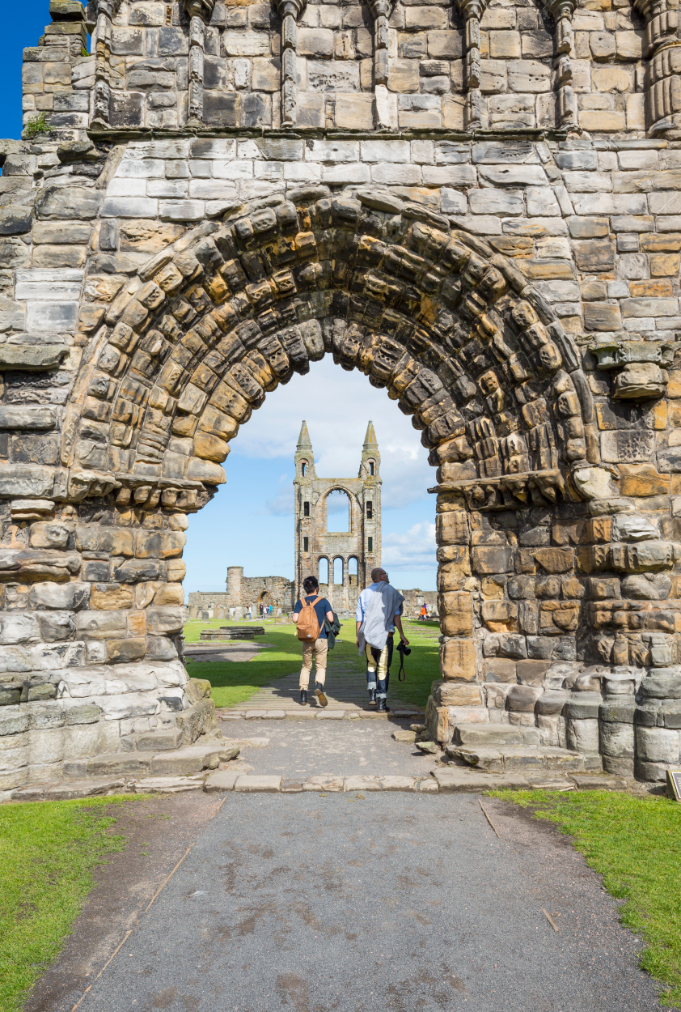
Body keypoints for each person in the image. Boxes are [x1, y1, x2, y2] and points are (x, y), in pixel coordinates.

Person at [356, 567, 409, 712]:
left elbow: (359, 618)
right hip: (385, 635)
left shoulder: (364, 593)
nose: (387, 576)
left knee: (371, 665)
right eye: (385, 573)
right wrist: (402, 634)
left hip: (367, 636)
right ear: (380, 576)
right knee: (383, 668)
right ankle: (381, 703)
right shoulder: (390, 591)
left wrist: (358, 637)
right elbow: (396, 616)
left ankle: (372, 696)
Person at [292, 576, 334, 707]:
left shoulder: (301, 602)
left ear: (305, 589)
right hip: (321, 638)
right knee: (320, 666)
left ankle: (303, 695)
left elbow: (294, 619)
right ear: (317, 588)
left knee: (306, 667)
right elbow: (331, 619)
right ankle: (319, 686)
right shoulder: (323, 601)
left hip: (306, 639)